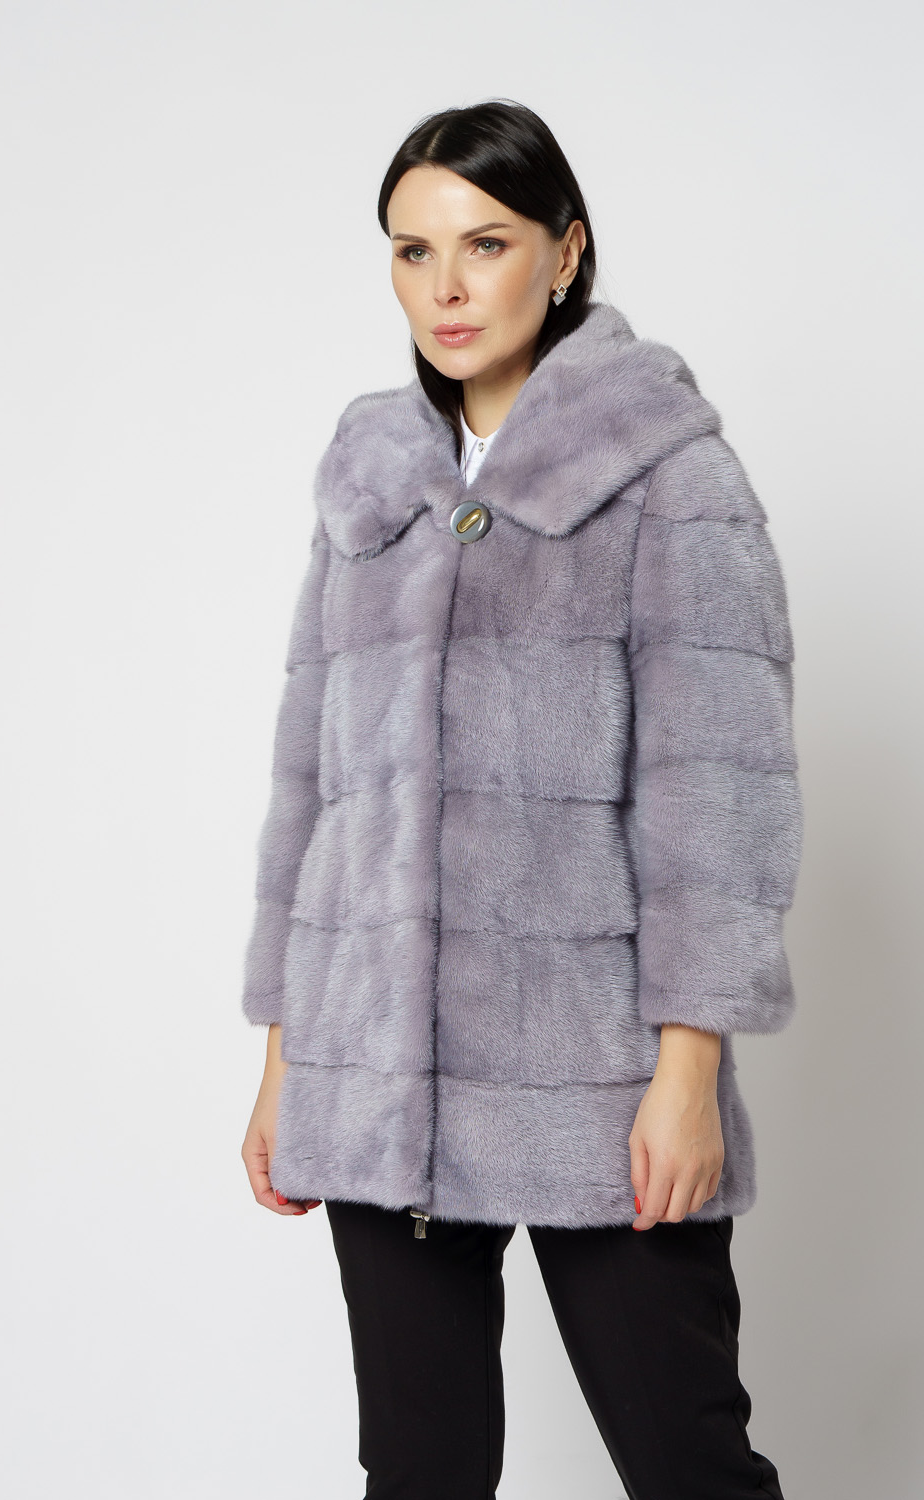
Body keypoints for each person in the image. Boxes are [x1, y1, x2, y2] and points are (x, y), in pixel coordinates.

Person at [240, 98, 802, 1500]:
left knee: (687, 1463)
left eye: (483, 243)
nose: (445, 285)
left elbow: (718, 801)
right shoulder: (369, 484)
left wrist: (688, 1077)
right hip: (375, 1075)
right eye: (412, 250)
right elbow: (312, 791)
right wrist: (290, 1059)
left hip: (596, 1077)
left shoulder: (669, 477)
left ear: (566, 252)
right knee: (418, 1475)